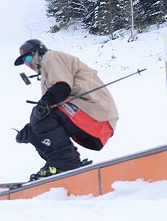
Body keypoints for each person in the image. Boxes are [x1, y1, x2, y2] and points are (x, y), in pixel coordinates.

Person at [14, 39, 119, 180]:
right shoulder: (46, 73)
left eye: (28, 58)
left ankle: (65, 163)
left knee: (39, 116)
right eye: (25, 63)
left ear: (38, 52)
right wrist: (31, 129)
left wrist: (42, 109)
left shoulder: (51, 57)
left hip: (95, 112)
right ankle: (55, 165)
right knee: (36, 125)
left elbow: (62, 87)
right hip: (86, 114)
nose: (29, 64)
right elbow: (50, 106)